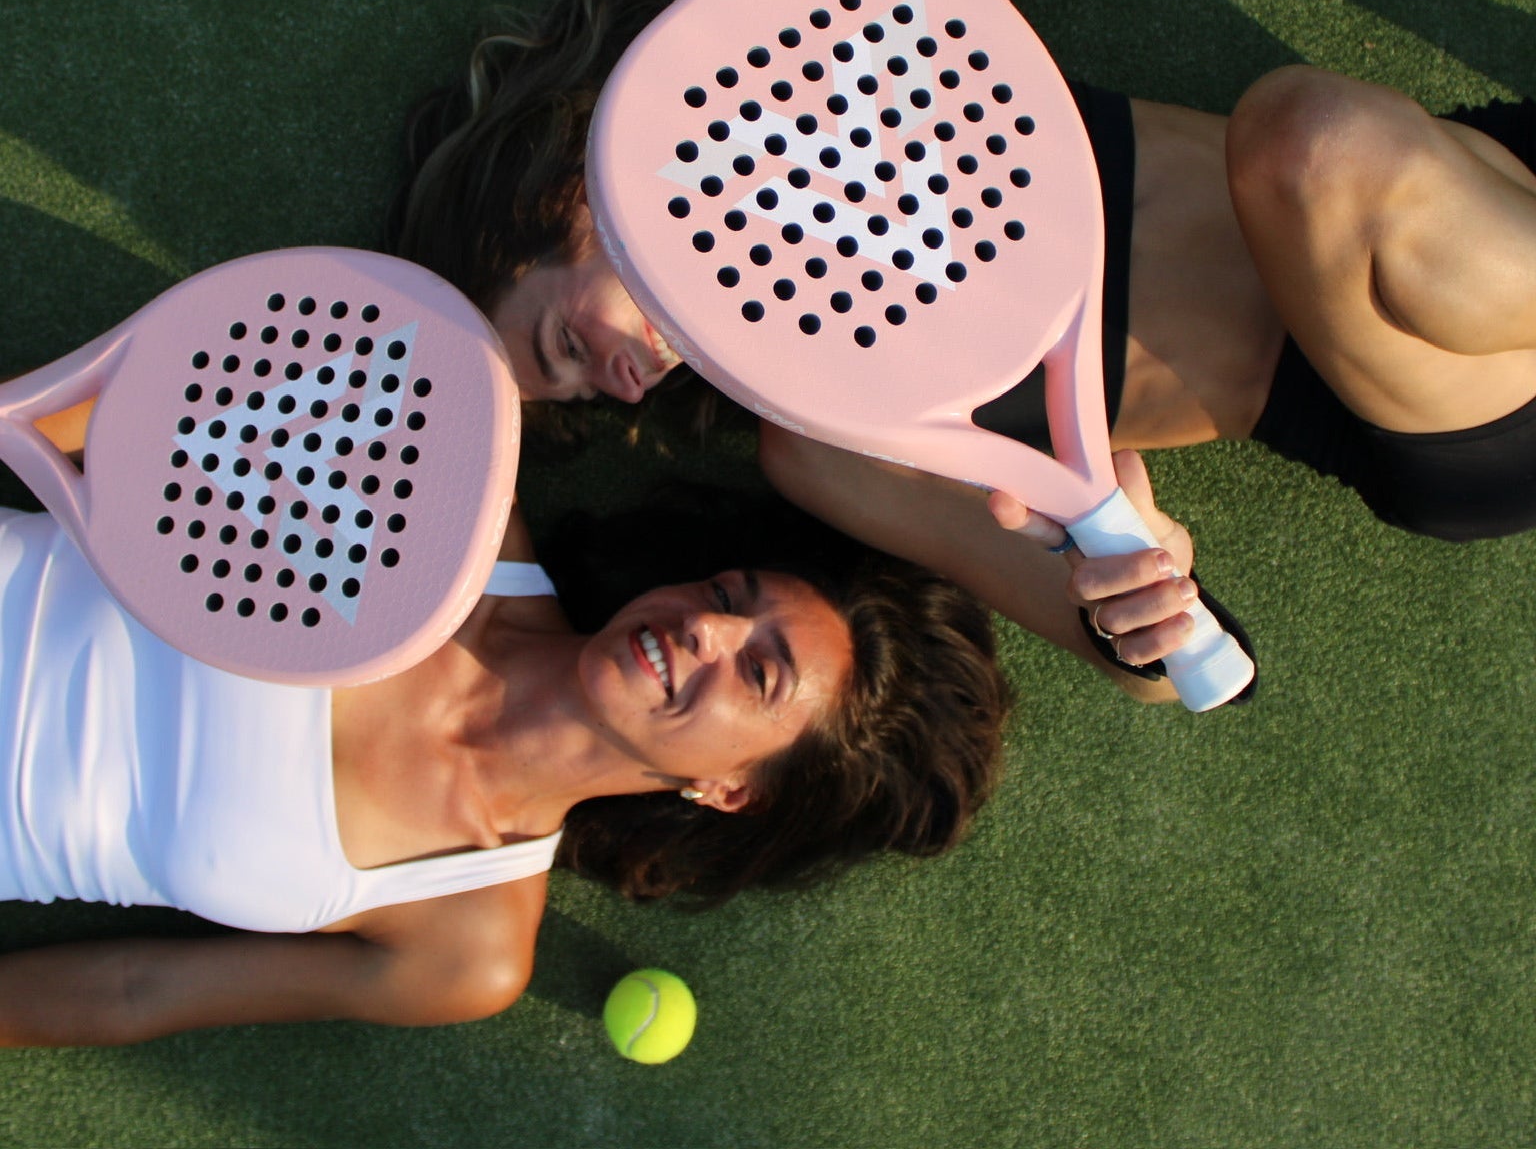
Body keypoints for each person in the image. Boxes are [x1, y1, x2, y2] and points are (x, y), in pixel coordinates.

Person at [390, 0, 1536, 697]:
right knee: (1306, 150)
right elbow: (1124, 645)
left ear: (566, 202)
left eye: (566, 344)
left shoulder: (822, 66)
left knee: (1323, 153)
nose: (620, 383)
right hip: (1432, 404)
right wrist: (1135, 595)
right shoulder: (820, 444)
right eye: (586, 395)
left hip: (1479, 210)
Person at [0, 419, 1009, 1045]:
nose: (705, 625)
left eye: (758, 671)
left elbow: (136, 989)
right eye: (728, 592)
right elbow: (164, 426)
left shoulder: (466, 947)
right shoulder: (462, 523)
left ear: (733, 789)